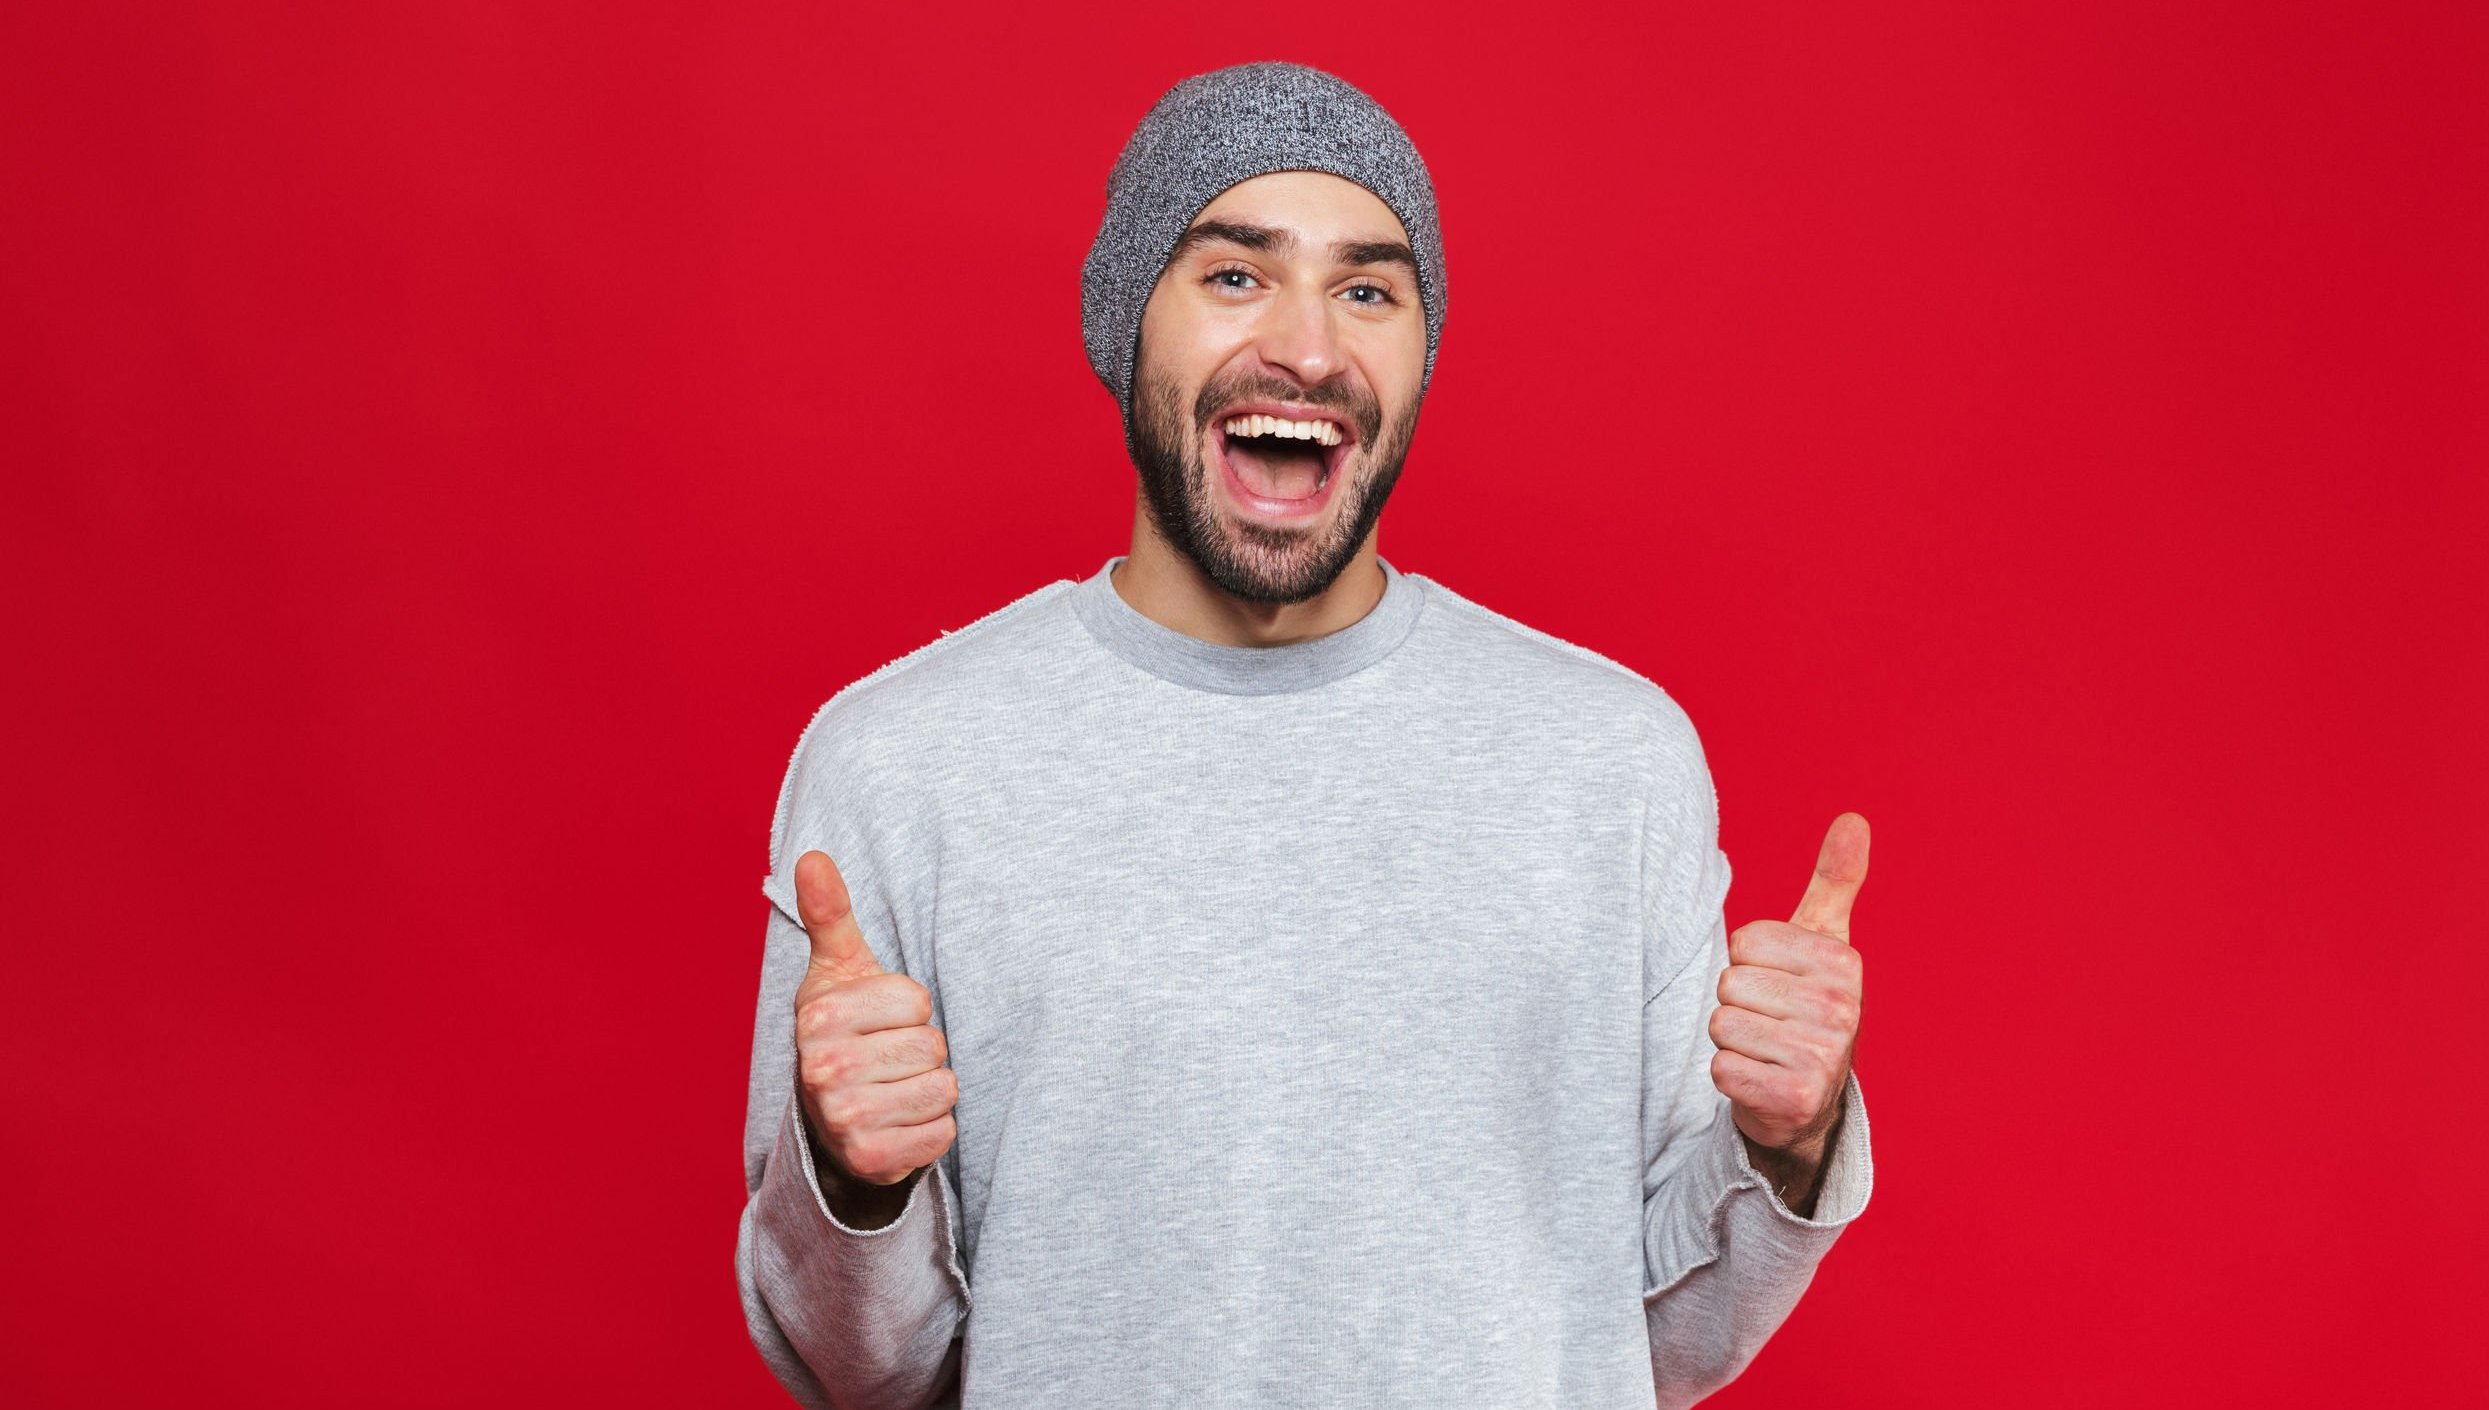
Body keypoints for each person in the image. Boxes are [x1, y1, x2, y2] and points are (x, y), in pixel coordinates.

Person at [735, 60, 1875, 1410]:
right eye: (1234, 275)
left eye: (1368, 289)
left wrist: (1790, 1142)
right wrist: (851, 1175)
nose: (1310, 347)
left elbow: (1660, 1341)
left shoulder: (1611, 762)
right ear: (1126, 325)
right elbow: (863, 1372)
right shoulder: (899, 766)